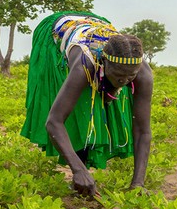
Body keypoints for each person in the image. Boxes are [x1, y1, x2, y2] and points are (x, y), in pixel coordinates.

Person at [21, 11, 153, 197]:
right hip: (57, 30)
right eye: (119, 75)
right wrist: (78, 170)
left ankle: (84, 165)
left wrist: (138, 183)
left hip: (96, 24)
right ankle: (80, 166)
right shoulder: (85, 65)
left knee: (111, 100)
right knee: (78, 104)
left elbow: (143, 130)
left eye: (130, 76)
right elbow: (54, 121)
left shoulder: (142, 73)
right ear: (104, 63)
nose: (124, 81)